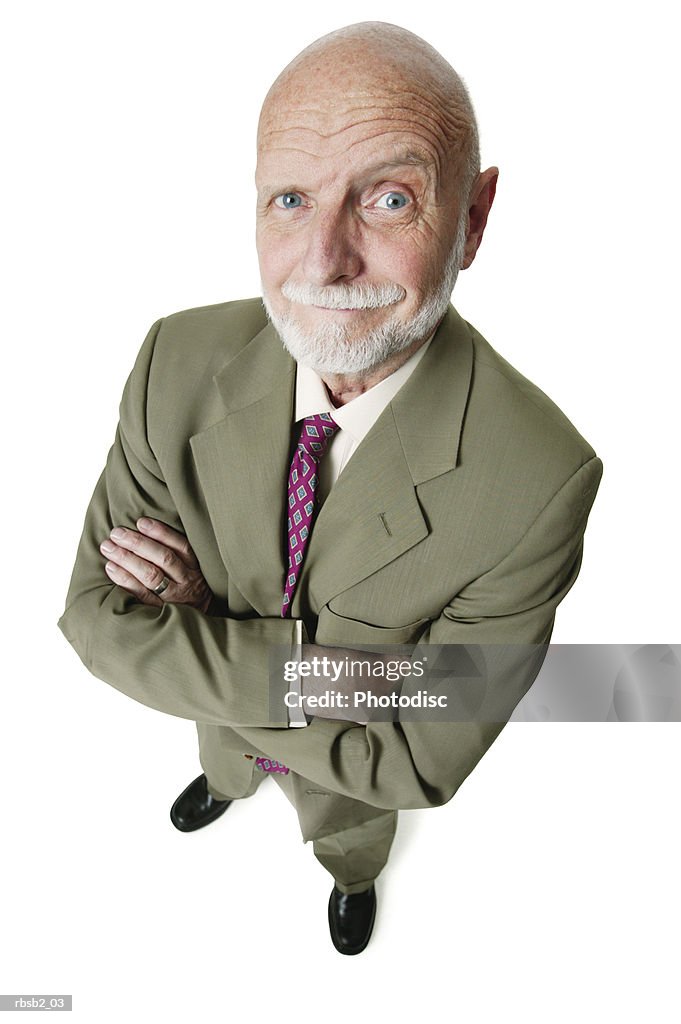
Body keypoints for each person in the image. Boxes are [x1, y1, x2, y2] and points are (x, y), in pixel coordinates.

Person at [58, 21, 603, 955]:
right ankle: (227, 780)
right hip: (242, 733)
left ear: (472, 218)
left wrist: (198, 621)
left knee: (351, 830)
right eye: (290, 199)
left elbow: (419, 759)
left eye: (389, 199)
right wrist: (354, 682)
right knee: (225, 756)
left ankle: (349, 872)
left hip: (354, 793)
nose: (321, 262)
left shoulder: (540, 481)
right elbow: (92, 621)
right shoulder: (174, 360)